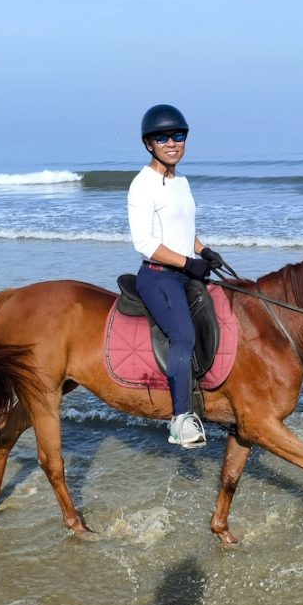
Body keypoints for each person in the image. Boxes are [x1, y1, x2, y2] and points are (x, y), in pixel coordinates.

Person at [127, 104, 224, 449]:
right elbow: (146, 242)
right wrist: (187, 263)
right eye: (162, 137)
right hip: (159, 277)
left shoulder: (181, 182)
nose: (172, 142)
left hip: (184, 269)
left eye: (178, 135)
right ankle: (180, 419)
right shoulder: (142, 185)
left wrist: (204, 250)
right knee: (182, 336)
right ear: (149, 144)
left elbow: (183, 231)